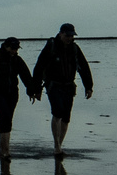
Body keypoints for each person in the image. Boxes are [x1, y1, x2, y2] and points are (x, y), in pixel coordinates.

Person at [30, 23, 93, 156]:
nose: (69, 38)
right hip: (53, 85)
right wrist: (36, 88)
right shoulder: (51, 46)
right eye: (67, 35)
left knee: (66, 117)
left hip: (69, 86)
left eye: (71, 36)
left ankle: (60, 143)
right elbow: (39, 67)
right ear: (60, 34)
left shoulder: (75, 49)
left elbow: (84, 67)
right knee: (57, 111)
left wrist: (88, 86)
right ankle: (57, 145)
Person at [0, 37, 36, 158]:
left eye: (16, 49)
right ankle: (3, 151)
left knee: (8, 120)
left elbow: (26, 76)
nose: (15, 51)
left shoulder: (17, 60)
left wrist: (31, 91)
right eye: (13, 48)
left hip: (12, 93)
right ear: (6, 46)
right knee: (4, 117)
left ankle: (5, 150)